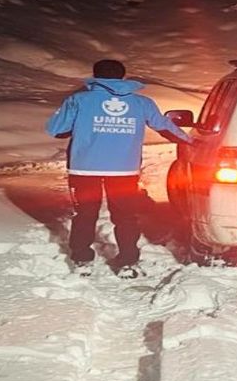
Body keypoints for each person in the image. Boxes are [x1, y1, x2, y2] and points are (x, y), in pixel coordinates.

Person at [46, 59, 193, 277]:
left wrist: (86, 125)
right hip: (124, 170)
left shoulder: (78, 100)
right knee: (125, 217)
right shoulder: (142, 103)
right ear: (123, 77)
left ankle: (82, 262)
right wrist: (191, 142)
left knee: (85, 215)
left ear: (95, 76)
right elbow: (165, 127)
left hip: (85, 169)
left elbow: (56, 129)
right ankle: (128, 263)